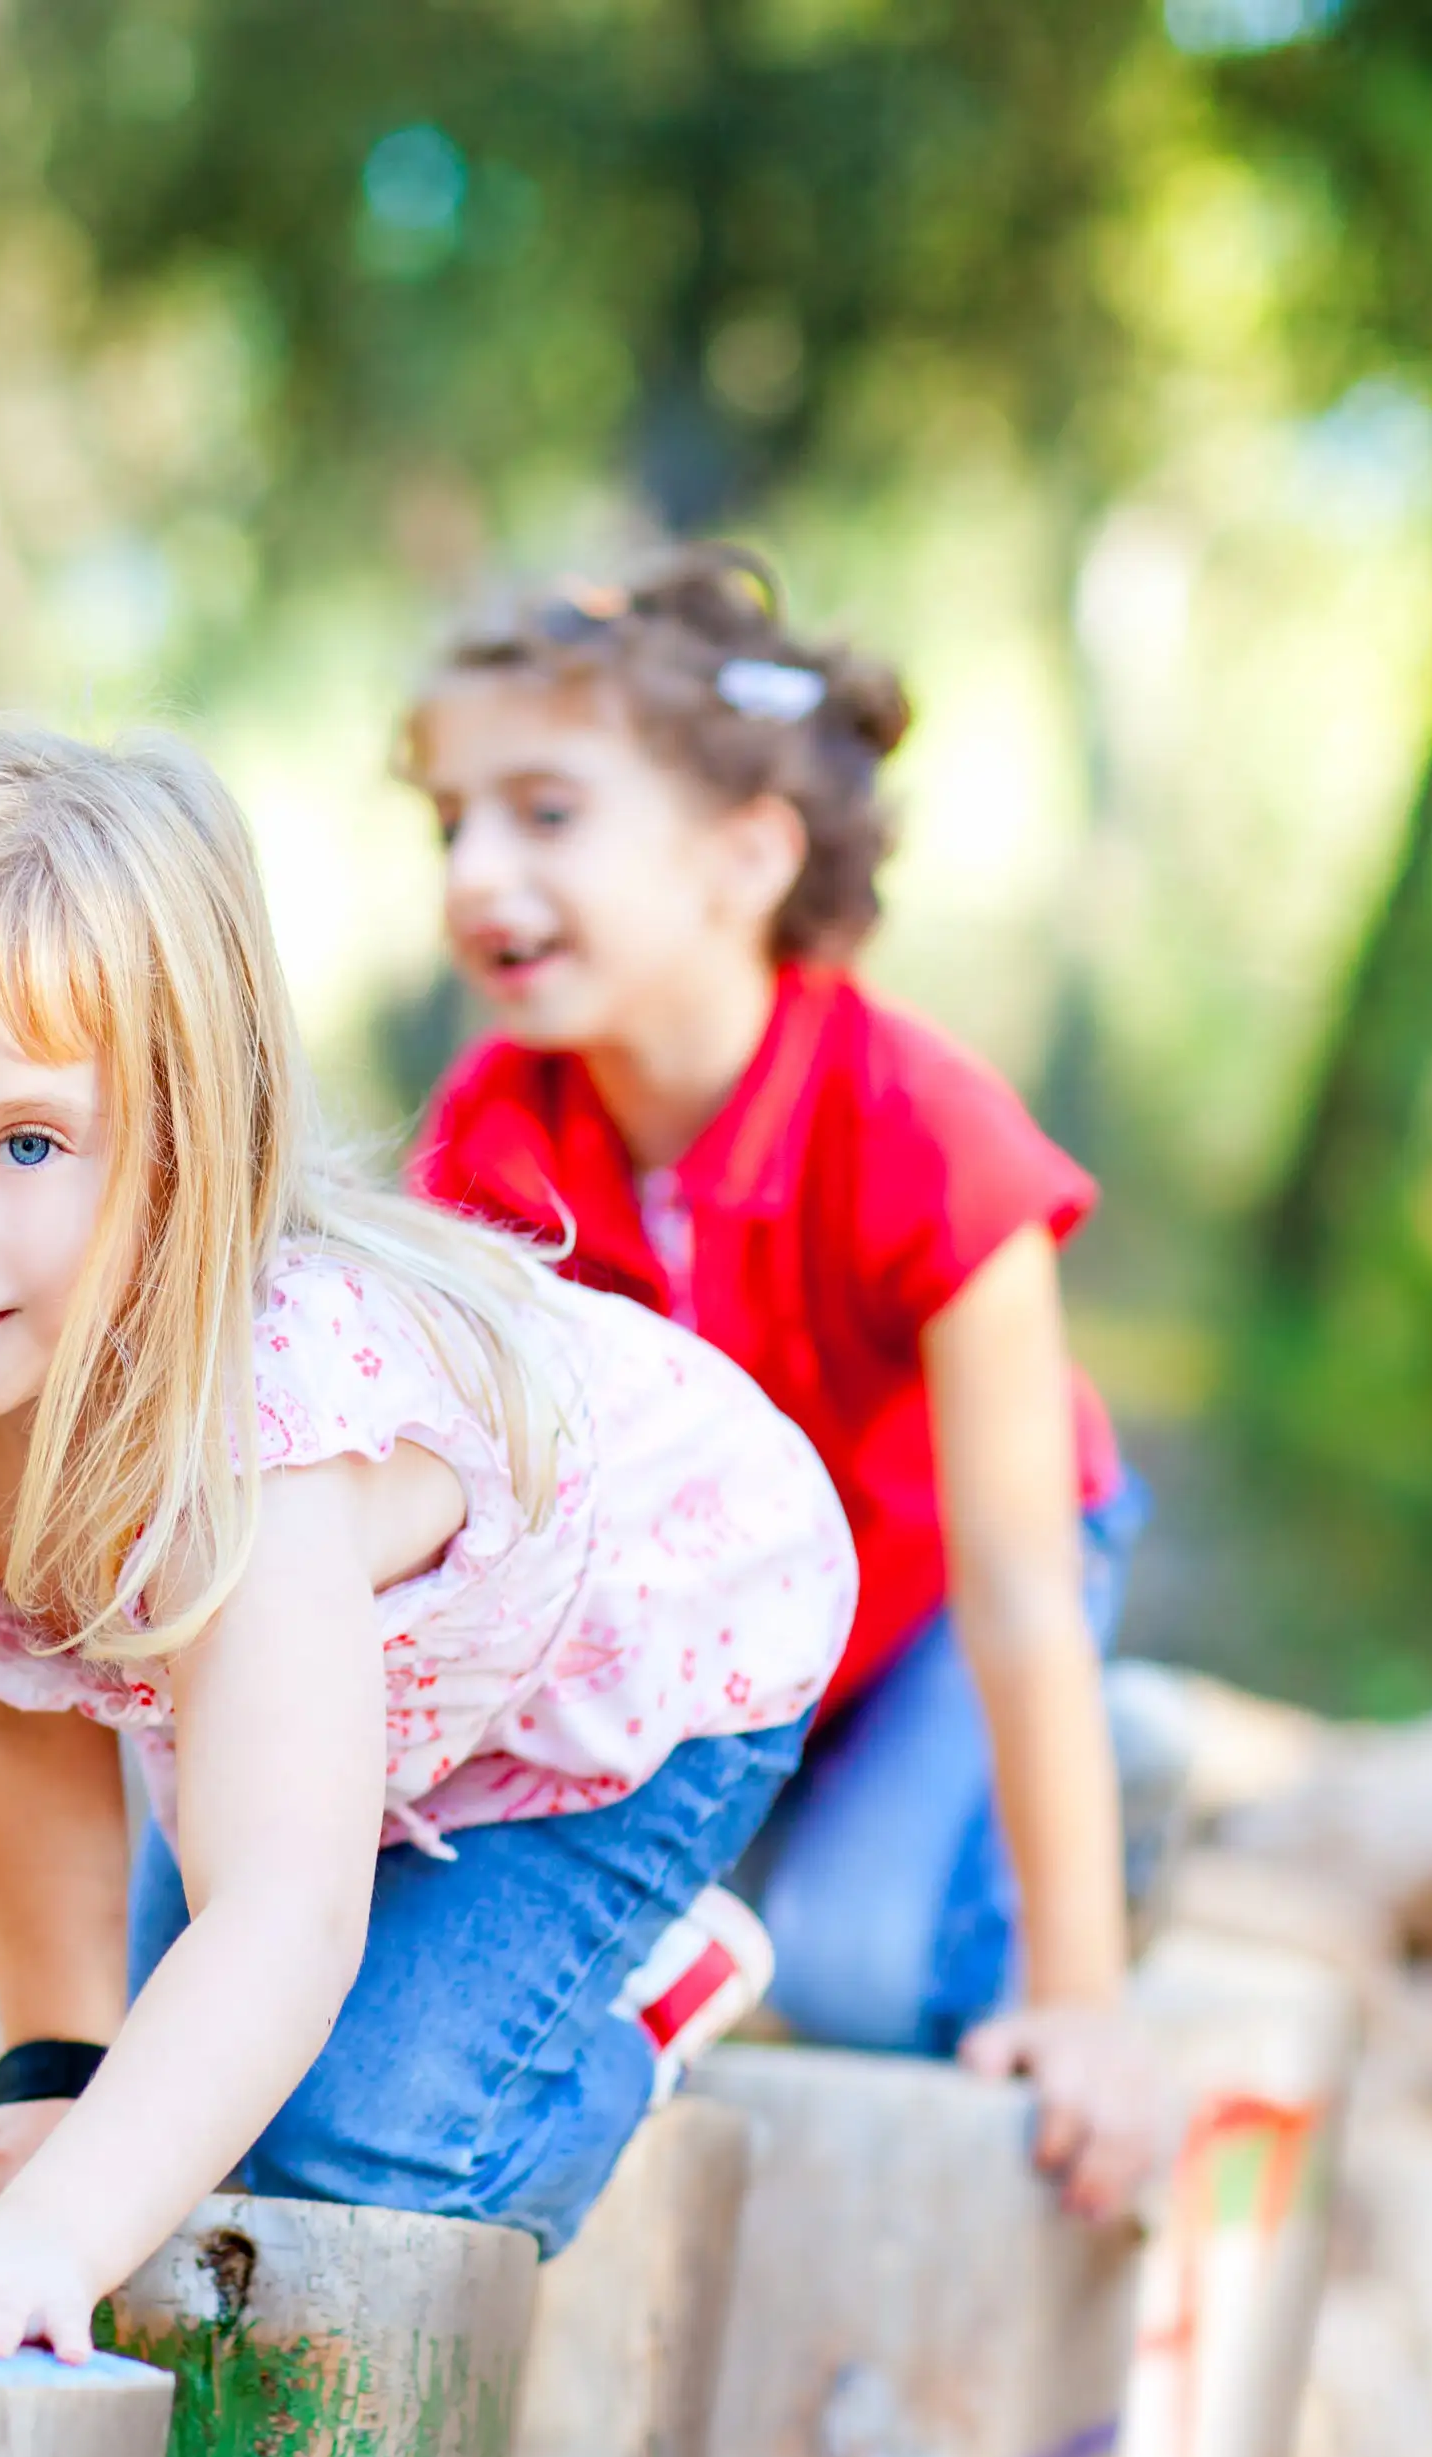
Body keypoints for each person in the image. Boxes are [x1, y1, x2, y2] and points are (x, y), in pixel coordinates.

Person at [0, 721, 853, 2359]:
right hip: (368, 1683)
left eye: (27, 1145)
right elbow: (13, 1712)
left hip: (658, 1641)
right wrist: (55, 2083)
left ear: (187, 1144)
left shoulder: (257, 1440)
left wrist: (53, 2241)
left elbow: (282, 1910)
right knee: (175, 2119)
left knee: (361, 2161)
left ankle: (654, 1990)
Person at [405, 546, 1164, 2220]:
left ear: (748, 852)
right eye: (450, 820)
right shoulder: (493, 1134)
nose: (474, 874)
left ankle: (1117, 1785)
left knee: (861, 1967)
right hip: (723, 1637)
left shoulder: (925, 1134)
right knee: (624, 1945)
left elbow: (1019, 1586)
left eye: (542, 813)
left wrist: (1085, 2002)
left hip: (953, 1603)